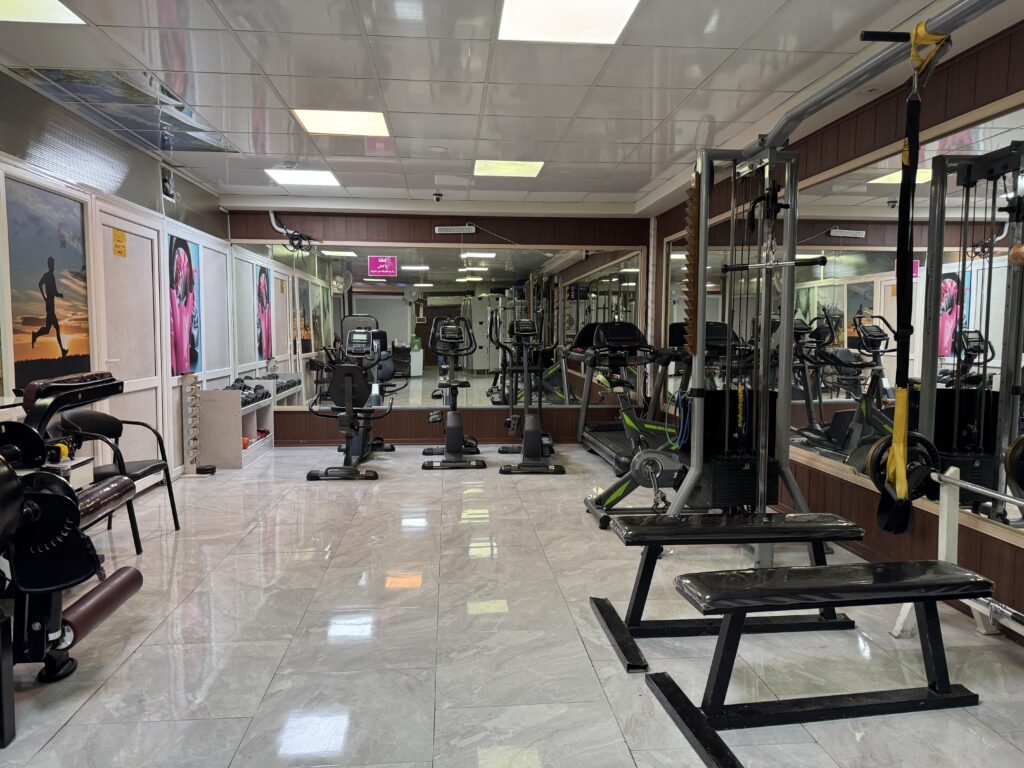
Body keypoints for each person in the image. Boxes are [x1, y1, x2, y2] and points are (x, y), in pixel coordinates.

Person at [32, 256, 68, 357]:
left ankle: (35, 335)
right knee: (57, 328)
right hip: (50, 306)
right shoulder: (47, 276)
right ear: (49, 265)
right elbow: (40, 284)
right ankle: (62, 351)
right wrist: (44, 297)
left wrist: (59, 294)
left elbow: (54, 292)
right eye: (52, 264)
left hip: (51, 306)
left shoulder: (52, 277)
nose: (53, 266)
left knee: (48, 330)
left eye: (53, 264)